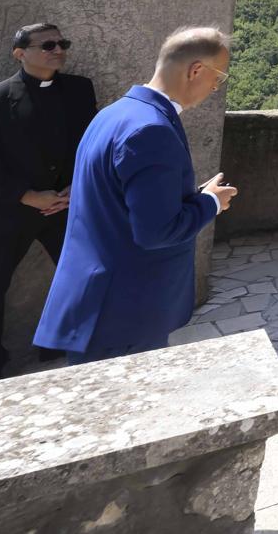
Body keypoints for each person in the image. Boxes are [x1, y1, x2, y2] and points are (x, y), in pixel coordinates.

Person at [35, 27, 240, 363]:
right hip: (125, 311)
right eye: (219, 77)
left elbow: (119, 200)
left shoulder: (115, 114)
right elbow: (156, 232)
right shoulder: (152, 130)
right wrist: (211, 202)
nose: (216, 87)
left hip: (96, 298)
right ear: (196, 70)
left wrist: (191, 195)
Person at [0, 23, 98, 382]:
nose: (58, 50)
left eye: (62, 43)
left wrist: (70, 191)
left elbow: (88, 144)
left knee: (81, 275)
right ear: (20, 53)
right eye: (47, 45)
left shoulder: (81, 90)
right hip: (6, 213)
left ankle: (59, 343)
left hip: (65, 206)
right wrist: (30, 196)